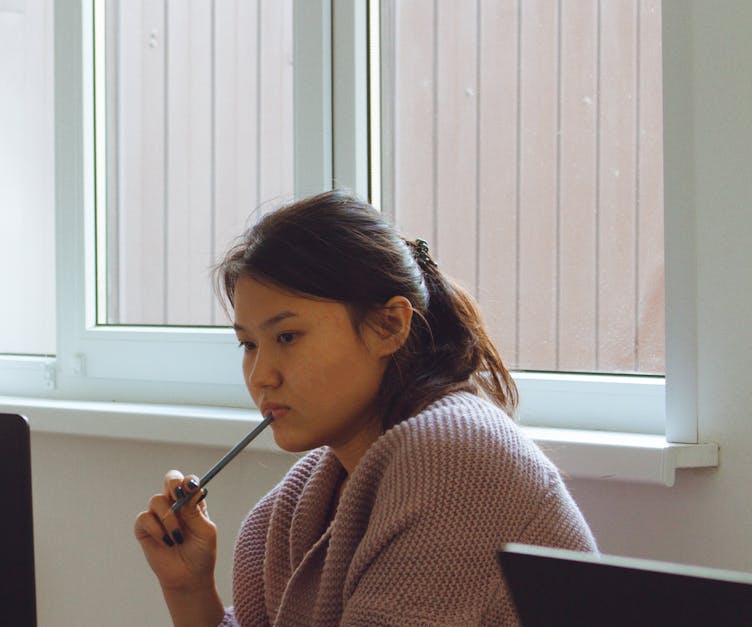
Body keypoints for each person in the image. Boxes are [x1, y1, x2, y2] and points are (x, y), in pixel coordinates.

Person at [133, 190, 596, 626]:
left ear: (388, 326)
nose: (261, 375)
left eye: (287, 337)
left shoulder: (454, 461)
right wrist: (189, 590)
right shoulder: (298, 500)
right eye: (249, 344)